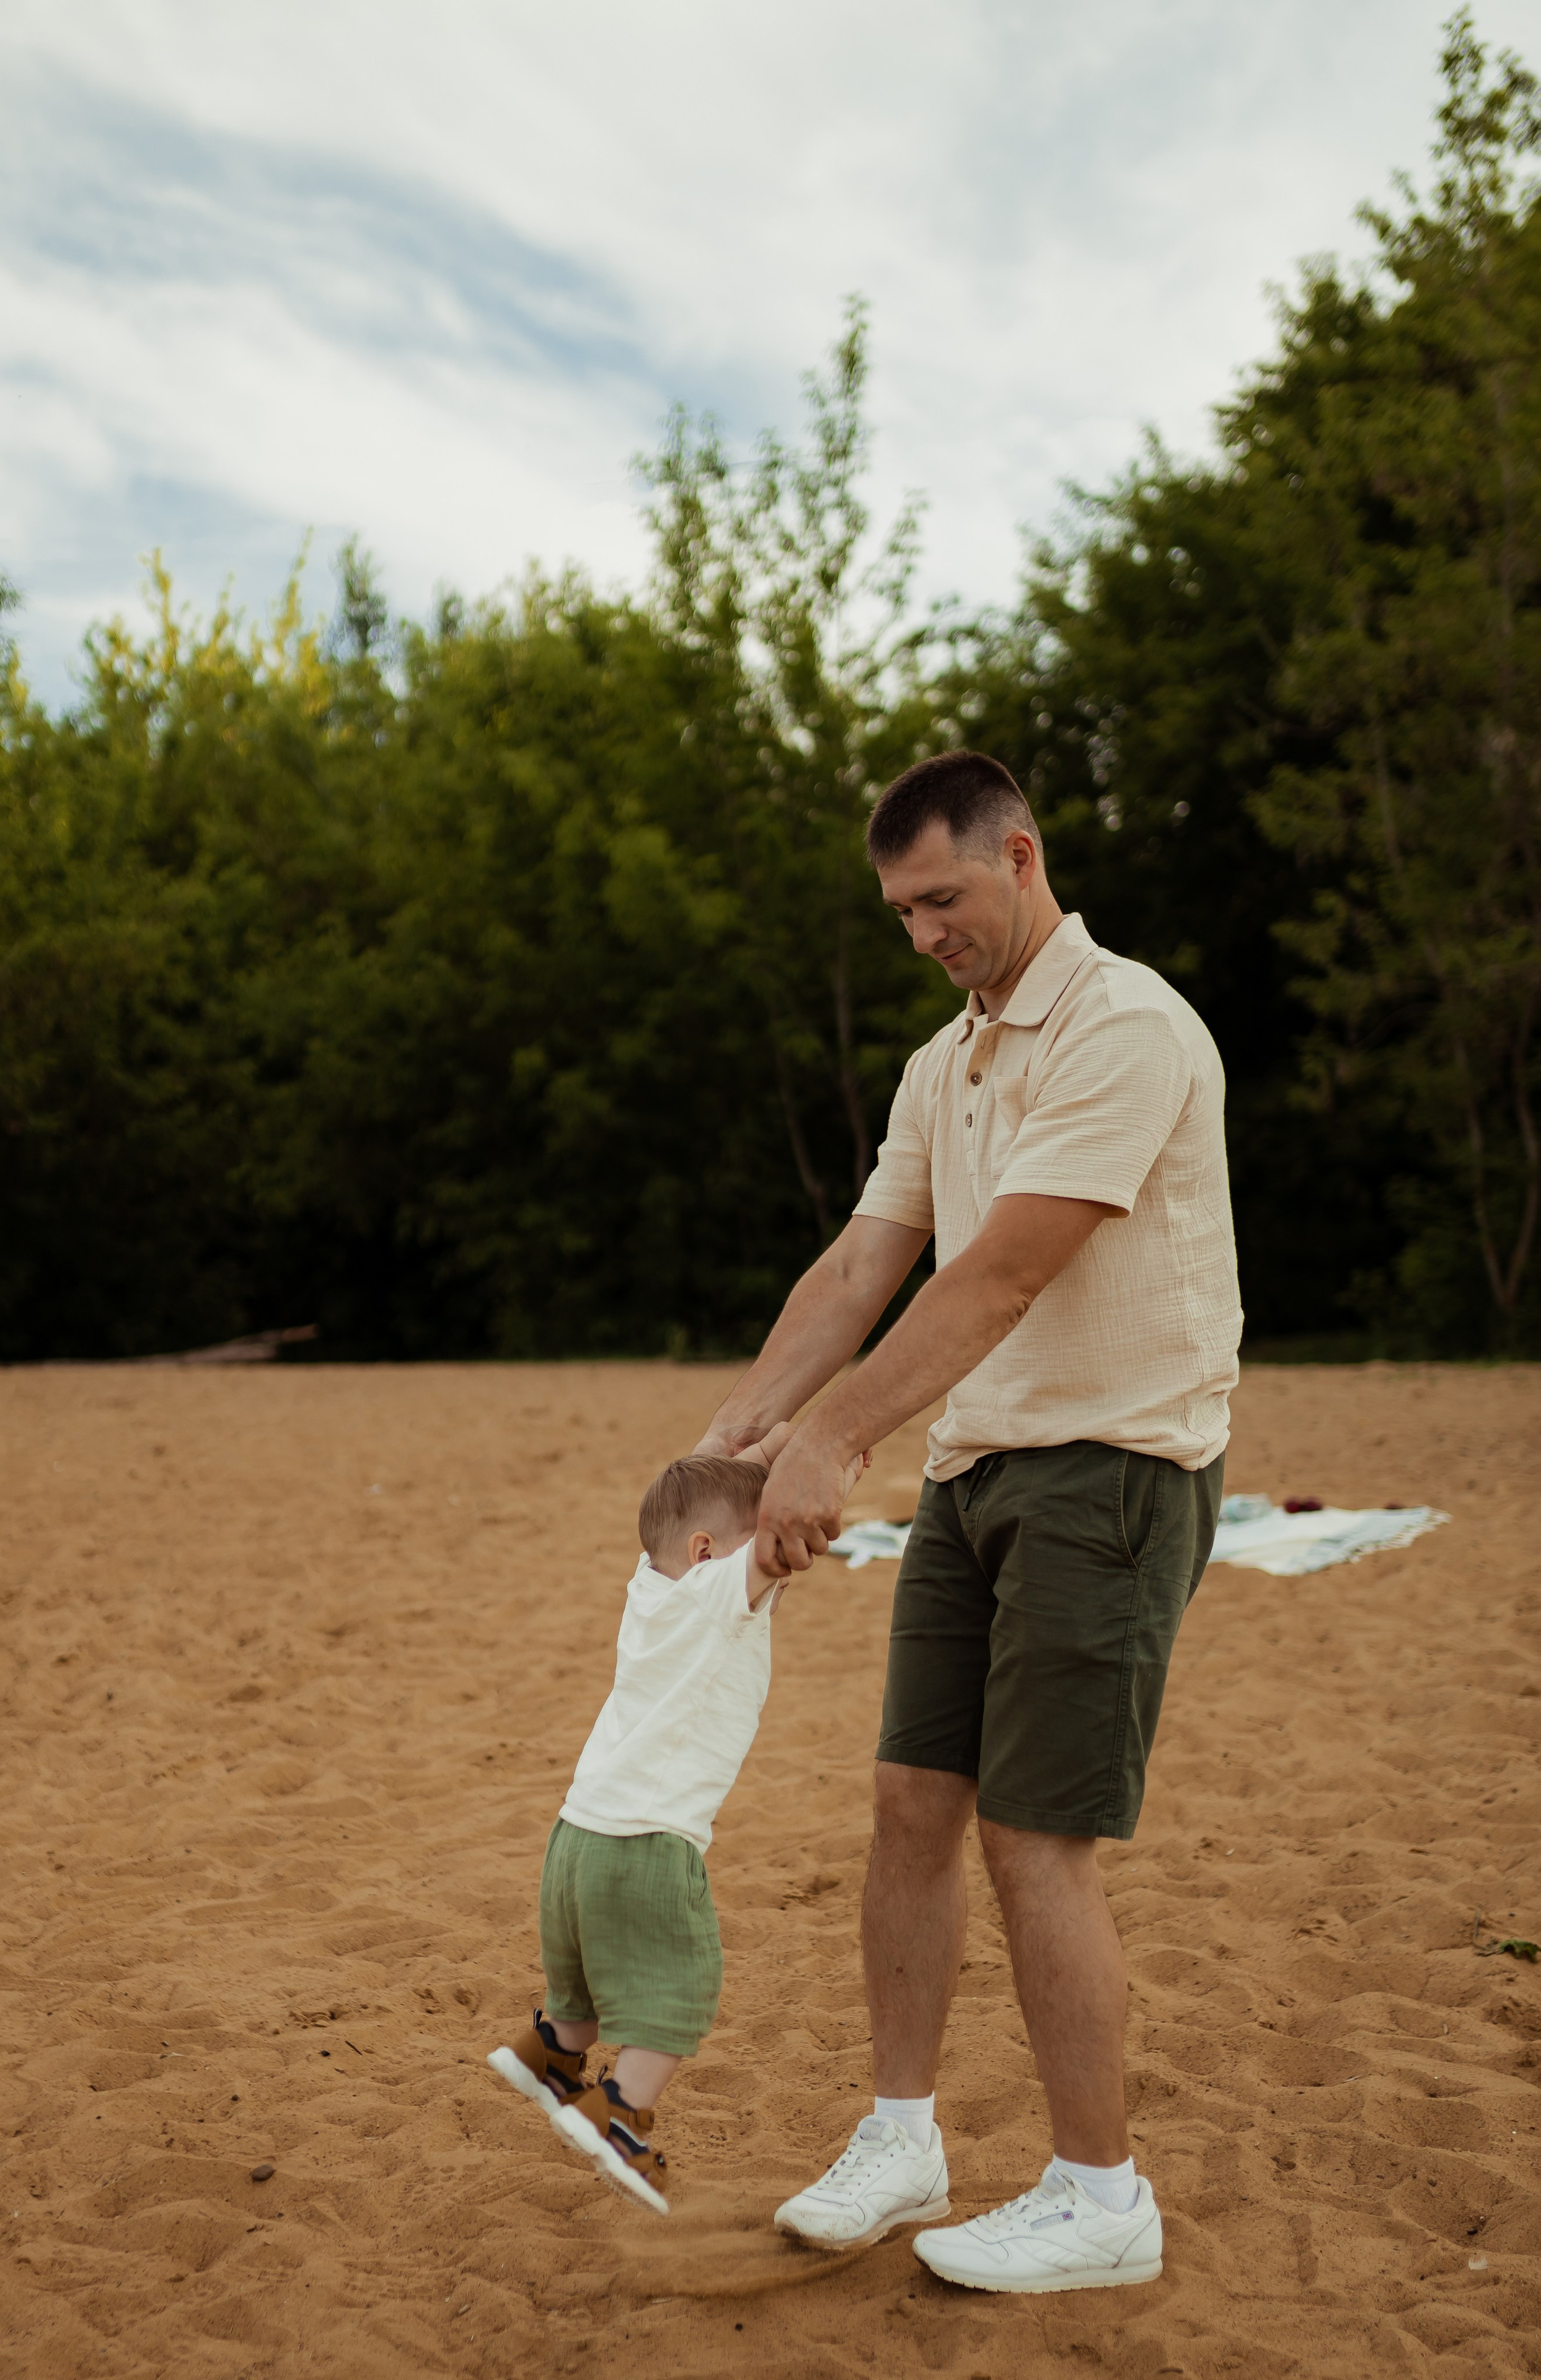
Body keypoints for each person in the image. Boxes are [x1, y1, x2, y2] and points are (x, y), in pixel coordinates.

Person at [694, 750, 1240, 2293]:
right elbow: (863, 1263)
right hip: (975, 1469)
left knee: (1032, 1834)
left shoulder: (1125, 1025)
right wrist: (735, 1434)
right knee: (906, 1805)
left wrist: (836, 1435)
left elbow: (1000, 1272)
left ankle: (1098, 2192)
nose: (924, 929)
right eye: (899, 911)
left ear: (1019, 855)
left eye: (940, 896)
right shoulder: (946, 1064)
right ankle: (901, 2135)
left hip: (1111, 1466)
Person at [487, 1434, 870, 2213]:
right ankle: (620, 2112)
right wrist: (832, 1464)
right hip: (647, 1843)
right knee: (683, 1982)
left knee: (589, 1979)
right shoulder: (712, 1590)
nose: (785, 1562)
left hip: (576, 1837)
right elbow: (768, 1550)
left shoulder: (650, 1587)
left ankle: (553, 2054)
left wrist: (765, 1464)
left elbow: (728, 1529)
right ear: (705, 1552)